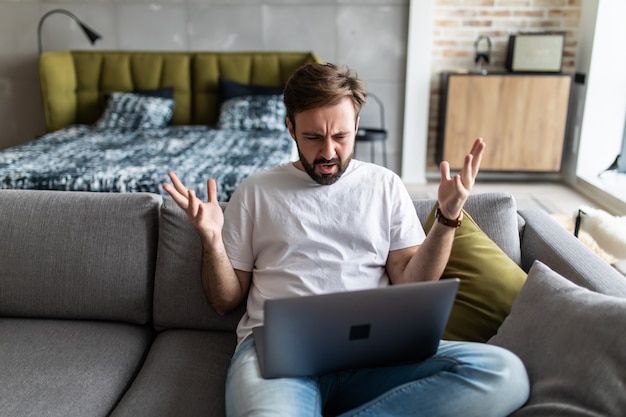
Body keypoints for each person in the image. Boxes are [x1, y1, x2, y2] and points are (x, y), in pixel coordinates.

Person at [164, 62, 529, 417]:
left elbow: (412, 280)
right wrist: (212, 240)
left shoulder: (384, 185)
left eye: (340, 136)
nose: (327, 152)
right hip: (279, 355)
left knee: (505, 374)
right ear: (290, 128)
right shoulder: (255, 191)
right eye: (312, 137)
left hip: (375, 353)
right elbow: (224, 301)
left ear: (356, 125)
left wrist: (448, 217)